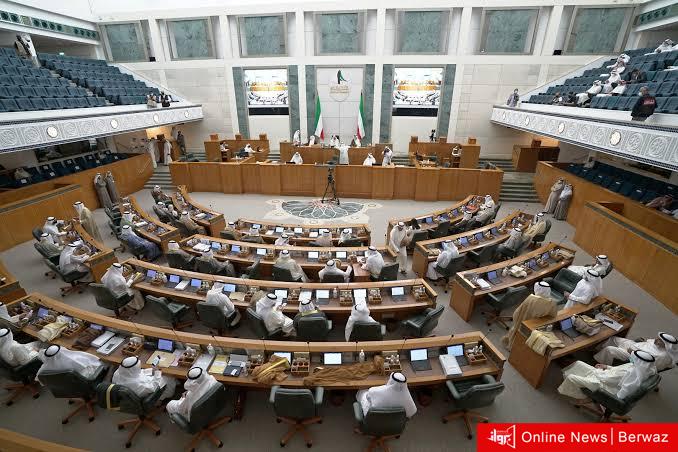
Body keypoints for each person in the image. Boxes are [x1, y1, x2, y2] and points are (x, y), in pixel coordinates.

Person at [557, 350, 656, 401]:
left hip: (605, 388)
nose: (631, 358)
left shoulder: (631, 373)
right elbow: (616, 370)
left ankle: (580, 396)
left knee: (571, 377)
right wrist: (606, 367)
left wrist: (598, 371)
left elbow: (607, 379)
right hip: (606, 377)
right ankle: (570, 383)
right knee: (579, 363)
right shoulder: (638, 367)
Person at [502, 281, 558, 349]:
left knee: (518, 333)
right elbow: (553, 315)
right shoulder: (553, 302)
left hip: (524, 323)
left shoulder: (531, 298)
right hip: (538, 327)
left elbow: (518, 312)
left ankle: (512, 347)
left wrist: (516, 320)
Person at [594, 332, 677, 371]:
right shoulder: (658, 344)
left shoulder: (662, 357)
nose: (656, 340)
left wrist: (633, 352)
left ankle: (602, 366)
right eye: (658, 338)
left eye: (659, 340)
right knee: (613, 339)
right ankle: (597, 351)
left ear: (666, 344)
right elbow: (648, 344)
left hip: (633, 356)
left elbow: (647, 366)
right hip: (634, 346)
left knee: (610, 349)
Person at [37, 344, 103, 382]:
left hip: (64, 385)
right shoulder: (74, 359)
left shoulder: (44, 369)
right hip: (82, 381)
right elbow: (93, 361)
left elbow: (39, 378)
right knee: (103, 364)